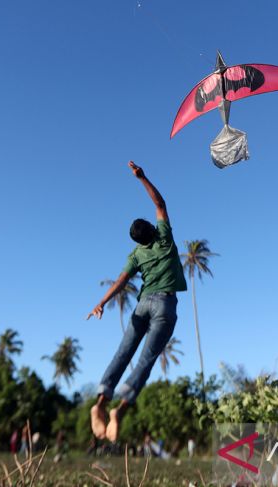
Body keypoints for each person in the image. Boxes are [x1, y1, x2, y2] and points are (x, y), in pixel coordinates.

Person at [87, 161, 187, 443]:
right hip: (164, 306)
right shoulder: (164, 238)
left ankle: (101, 402)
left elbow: (121, 280)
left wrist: (102, 302)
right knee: (146, 358)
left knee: (123, 352)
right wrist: (142, 177)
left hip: (142, 305)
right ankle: (120, 410)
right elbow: (160, 202)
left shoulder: (136, 255)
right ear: (152, 231)